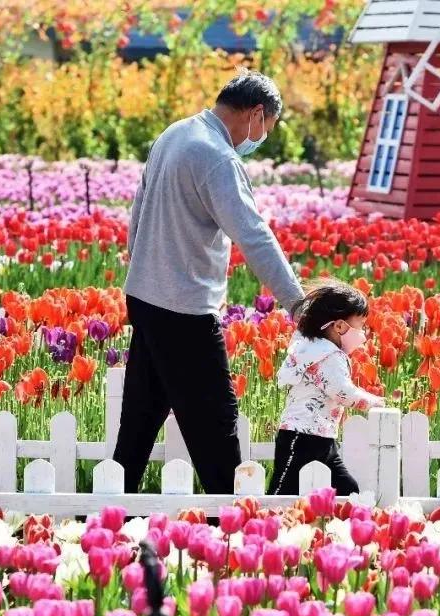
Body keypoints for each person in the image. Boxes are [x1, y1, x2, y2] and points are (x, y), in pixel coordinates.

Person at [115, 71, 305, 494]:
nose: (259, 139)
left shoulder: (175, 134)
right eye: (266, 130)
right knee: (216, 421)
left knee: (139, 423)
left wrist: (144, 267)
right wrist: (297, 302)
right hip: (184, 307)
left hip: (145, 295)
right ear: (256, 114)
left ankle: (108, 518)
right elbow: (253, 234)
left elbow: (138, 212)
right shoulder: (218, 158)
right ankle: (236, 526)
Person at [268, 280, 385, 496]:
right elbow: (342, 391)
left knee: (347, 490)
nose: (363, 333)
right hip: (300, 437)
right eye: (360, 326)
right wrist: (374, 402)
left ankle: (341, 526)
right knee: (283, 492)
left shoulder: (314, 348)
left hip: (323, 438)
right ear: (339, 326)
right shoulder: (325, 355)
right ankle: (263, 524)